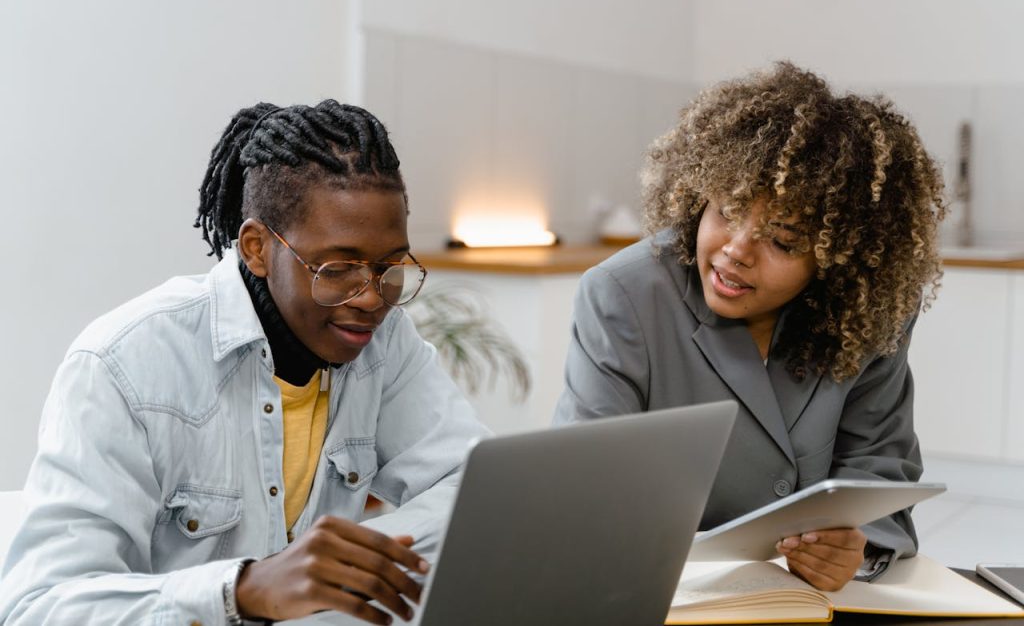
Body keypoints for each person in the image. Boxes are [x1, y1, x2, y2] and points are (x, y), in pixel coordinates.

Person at [0, 101, 490, 625]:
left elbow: (473, 489)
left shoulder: (383, 342)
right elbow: (39, 608)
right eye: (338, 267)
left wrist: (346, 564)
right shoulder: (124, 365)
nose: (371, 298)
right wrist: (244, 590)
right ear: (257, 248)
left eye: (390, 267)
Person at [554, 63, 946, 592]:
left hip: (805, 601)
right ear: (698, 195)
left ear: (837, 259)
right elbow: (583, 485)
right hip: (663, 591)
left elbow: (880, 469)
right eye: (726, 211)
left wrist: (857, 546)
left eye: (782, 240)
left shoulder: (869, 311)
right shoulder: (624, 295)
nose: (735, 251)